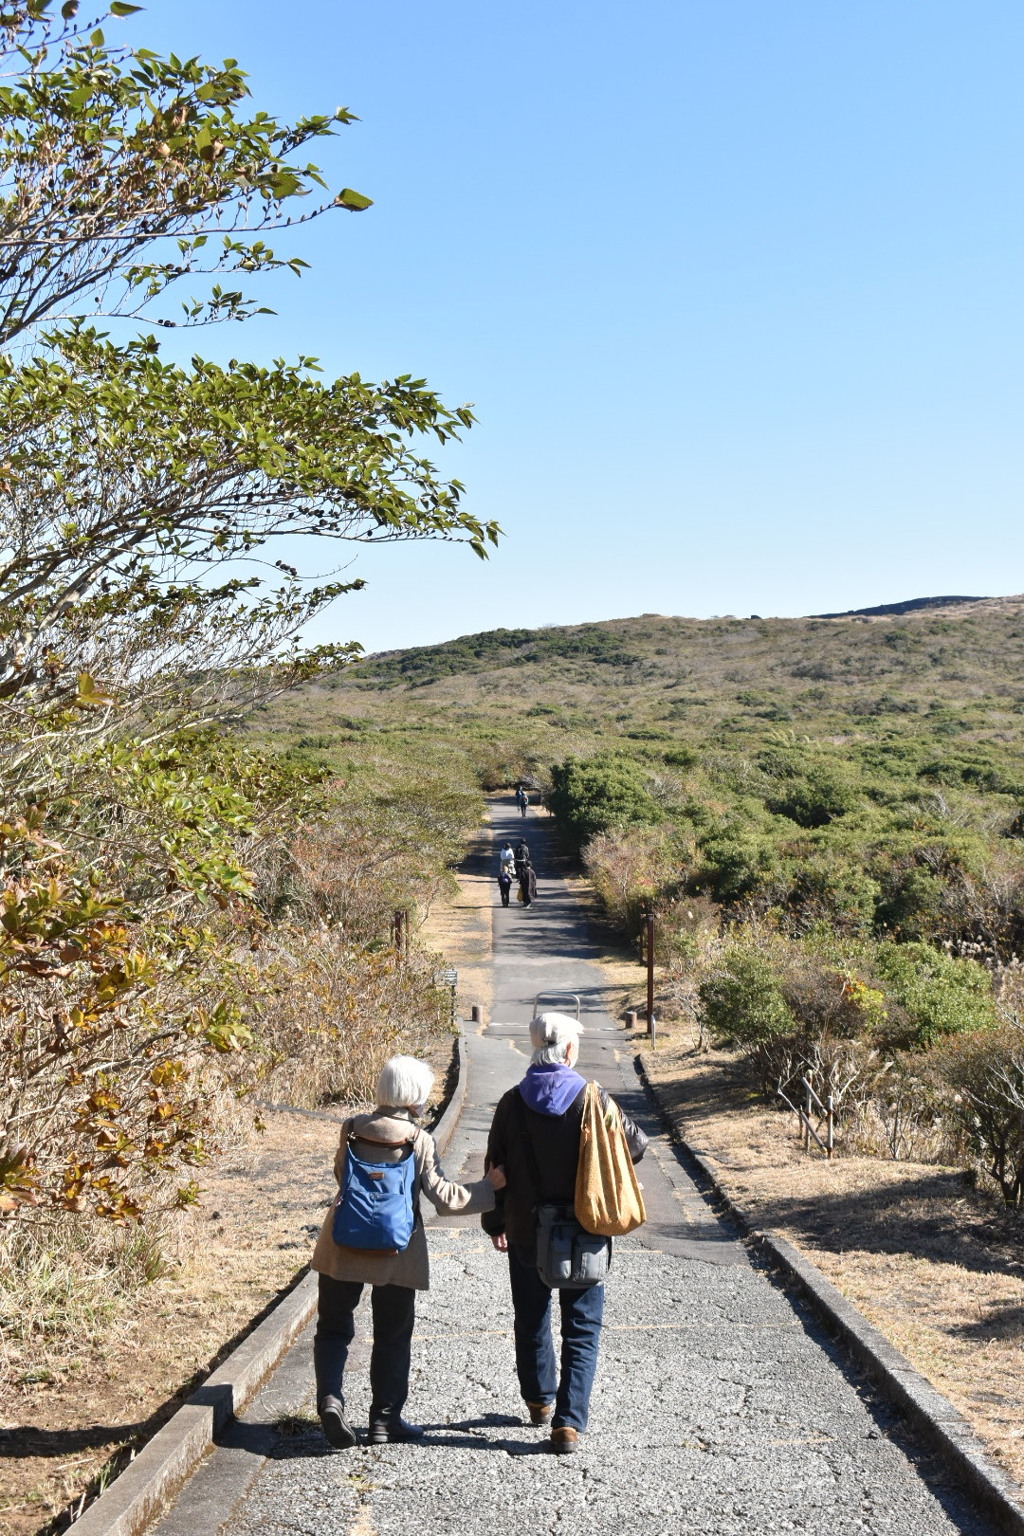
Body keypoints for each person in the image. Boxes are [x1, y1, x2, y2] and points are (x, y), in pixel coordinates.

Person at [311, 1055, 505, 1449]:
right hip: (396, 1249)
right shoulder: (418, 1140)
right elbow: (446, 1200)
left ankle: (331, 1399)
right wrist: (489, 1187)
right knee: (392, 1334)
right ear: (414, 1094)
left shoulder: (351, 1128)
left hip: (342, 1241)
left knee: (332, 1328)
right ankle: (384, 1420)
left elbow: (340, 1176)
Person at [482, 1014, 647, 1453]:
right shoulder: (594, 1098)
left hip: (523, 1227)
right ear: (569, 1051)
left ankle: (538, 1399)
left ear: (534, 1047)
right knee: (582, 1325)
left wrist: (495, 1223)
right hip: (585, 1227)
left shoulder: (511, 1102)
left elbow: (494, 1168)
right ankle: (568, 1422)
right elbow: (637, 1145)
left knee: (531, 1316)